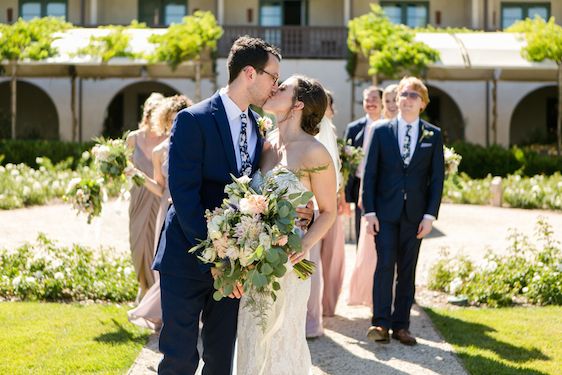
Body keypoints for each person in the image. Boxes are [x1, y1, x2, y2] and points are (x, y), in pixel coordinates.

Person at [152, 36, 313, 375]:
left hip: (236, 267)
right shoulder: (193, 120)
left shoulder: (257, 127)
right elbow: (183, 195)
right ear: (250, 73)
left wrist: (289, 212)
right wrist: (215, 256)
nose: (276, 86)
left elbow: (256, 189)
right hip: (187, 256)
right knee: (179, 359)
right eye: (273, 77)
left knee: (221, 361)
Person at [237, 74, 337, 374]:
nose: (273, 89)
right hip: (251, 259)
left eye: (282, 88)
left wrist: (303, 245)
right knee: (251, 336)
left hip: (288, 264)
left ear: (298, 104)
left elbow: (328, 211)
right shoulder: (265, 144)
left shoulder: (314, 152)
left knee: (281, 337)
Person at [363, 77, 444, 346]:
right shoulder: (381, 131)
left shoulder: (433, 135)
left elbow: (437, 179)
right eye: (403, 94)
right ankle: (380, 323)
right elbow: (370, 173)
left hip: (416, 216)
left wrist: (430, 216)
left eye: (413, 95)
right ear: (396, 100)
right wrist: (370, 211)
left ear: (422, 103)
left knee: (407, 271)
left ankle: (402, 326)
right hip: (384, 213)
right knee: (384, 266)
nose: (407, 99)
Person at [127, 95, 192, 330]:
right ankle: (165, 316)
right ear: (166, 120)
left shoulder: (196, 144)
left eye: (181, 119)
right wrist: (137, 176)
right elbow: (159, 188)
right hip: (166, 210)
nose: (177, 124)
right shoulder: (159, 151)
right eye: (173, 120)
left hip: (191, 208)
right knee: (162, 264)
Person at [348, 84, 398, 307]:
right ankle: (370, 292)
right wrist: (360, 195)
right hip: (369, 192)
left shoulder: (396, 127)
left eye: (377, 99)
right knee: (367, 245)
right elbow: (362, 166)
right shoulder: (367, 128)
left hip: (391, 193)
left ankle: (390, 291)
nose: (392, 105)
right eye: (367, 99)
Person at [126, 92, 166, 301]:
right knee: (138, 243)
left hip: (158, 198)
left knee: (154, 244)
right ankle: (142, 284)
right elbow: (124, 167)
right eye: (151, 112)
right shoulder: (133, 138)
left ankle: (151, 293)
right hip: (139, 196)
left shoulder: (168, 139)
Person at [317, 91, 346, 318]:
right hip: (315, 204)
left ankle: (328, 305)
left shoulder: (332, 132)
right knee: (315, 258)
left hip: (332, 200)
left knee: (332, 256)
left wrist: (341, 197)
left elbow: (338, 170)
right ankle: (314, 309)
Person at [343, 86, 383, 245]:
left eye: (374, 99)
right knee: (361, 228)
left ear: (382, 102)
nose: (370, 102)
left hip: (384, 184)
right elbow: (345, 162)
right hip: (360, 184)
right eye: (367, 99)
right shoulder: (354, 128)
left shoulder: (390, 127)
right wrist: (345, 195)